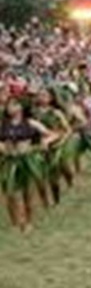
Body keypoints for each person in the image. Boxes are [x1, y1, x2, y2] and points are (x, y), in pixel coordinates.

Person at [0, 98, 58, 233]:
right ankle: (16, 222)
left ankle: (28, 222)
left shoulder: (30, 123)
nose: (9, 107)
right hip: (10, 161)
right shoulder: (3, 124)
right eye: (8, 105)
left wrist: (46, 141)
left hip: (27, 160)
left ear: (21, 107)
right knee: (10, 193)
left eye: (13, 104)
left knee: (27, 193)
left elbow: (53, 134)